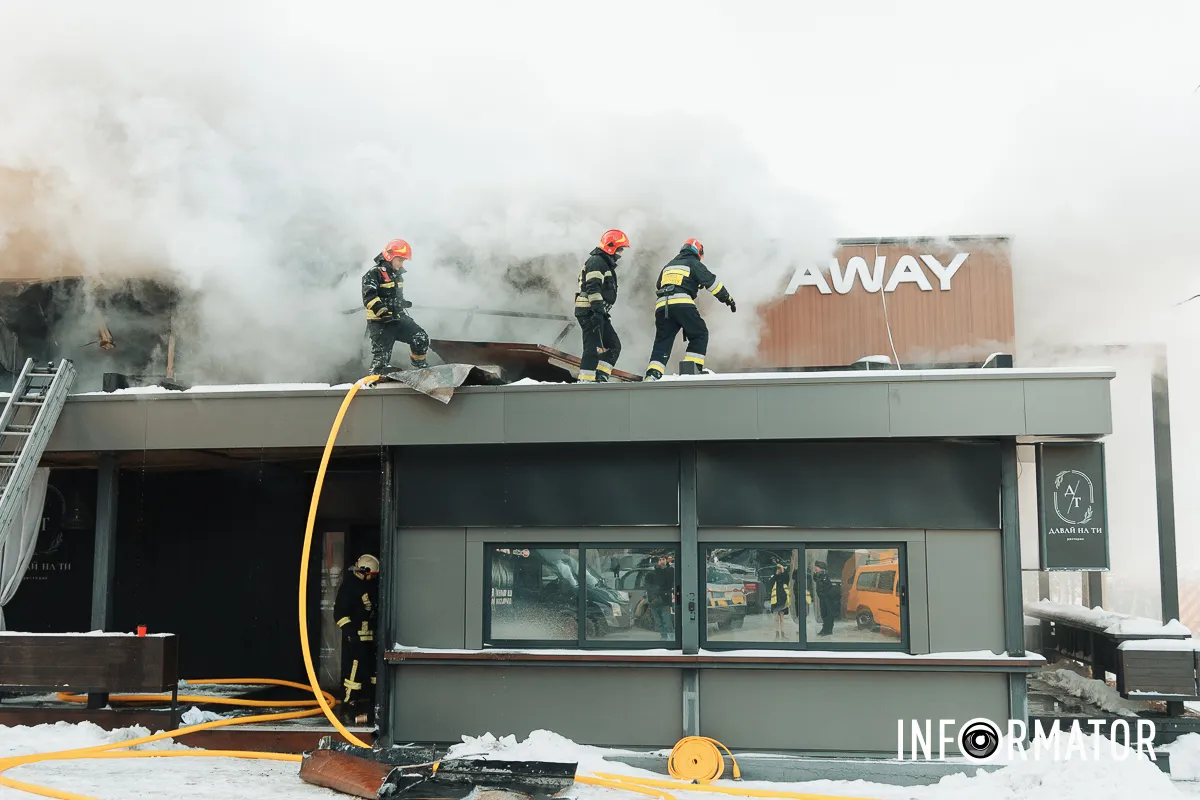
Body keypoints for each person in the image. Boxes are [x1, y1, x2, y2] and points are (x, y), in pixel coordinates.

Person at [644, 239, 736, 381]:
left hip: (662, 306)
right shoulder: (693, 263)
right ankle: (692, 370)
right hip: (682, 303)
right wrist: (728, 299)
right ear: (698, 252)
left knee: (663, 341)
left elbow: (660, 284)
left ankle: (652, 374)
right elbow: (712, 283)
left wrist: (691, 283)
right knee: (700, 334)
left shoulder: (668, 266)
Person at [362, 238, 430, 374]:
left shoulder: (397, 275)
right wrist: (383, 313)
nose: (401, 263)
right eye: (399, 260)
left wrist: (401, 303)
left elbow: (393, 296)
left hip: (398, 318)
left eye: (403, 260)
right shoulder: (373, 274)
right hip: (380, 322)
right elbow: (369, 298)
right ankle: (373, 381)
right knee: (381, 360)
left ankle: (420, 367)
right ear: (389, 256)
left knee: (420, 338)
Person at [574, 230, 630, 382]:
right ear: (611, 247)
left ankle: (600, 377)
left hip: (598, 311)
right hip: (590, 311)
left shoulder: (604, 264)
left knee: (613, 346)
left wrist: (601, 312)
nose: (621, 253)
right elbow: (593, 288)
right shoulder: (597, 262)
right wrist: (597, 312)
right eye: (620, 249)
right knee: (592, 347)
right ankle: (585, 381)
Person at [334, 553, 379, 725]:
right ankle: (349, 706)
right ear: (364, 571)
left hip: (371, 639)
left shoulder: (371, 586)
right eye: (371, 575)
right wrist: (351, 634)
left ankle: (373, 706)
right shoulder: (349, 587)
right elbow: (339, 613)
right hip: (356, 640)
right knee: (353, 675)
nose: (372, 578)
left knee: (373, 674)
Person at [646, 553, 675, 640]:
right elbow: (649, 586)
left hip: (664, 600)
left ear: (666, 560)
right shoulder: (651, 572)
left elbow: (667, 582)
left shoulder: (670, 570)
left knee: (667, 621)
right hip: (654, 600)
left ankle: (671, 638)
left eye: (663, 559)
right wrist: (651, 598)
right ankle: (663, 637)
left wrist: (663, 568)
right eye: (660, 560)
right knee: (658, 622)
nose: (661, 561)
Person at [811, 560, 839, 637]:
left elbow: (825, 586)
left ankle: (828, 629)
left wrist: (824, 594)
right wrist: (815, 573)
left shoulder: (823, 575)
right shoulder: (819, 574)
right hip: (823, 598)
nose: (815, 568)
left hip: (827, 598)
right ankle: (825, 629)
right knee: (824, 613)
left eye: (816, 567)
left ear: (820, 568)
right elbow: (815, 579)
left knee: (827, 614)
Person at [767, 563, 790, 640]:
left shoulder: (784, 576)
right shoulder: (774, 576)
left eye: (779, 569)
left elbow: (786, 580)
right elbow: (770, 583)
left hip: (783, 599)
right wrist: (776, 574)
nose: (778, 570)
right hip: (776, 600)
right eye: (778, 569)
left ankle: (782, 634)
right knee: (776, 618)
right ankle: (777, 634)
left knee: (782, 618)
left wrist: (783, 572)